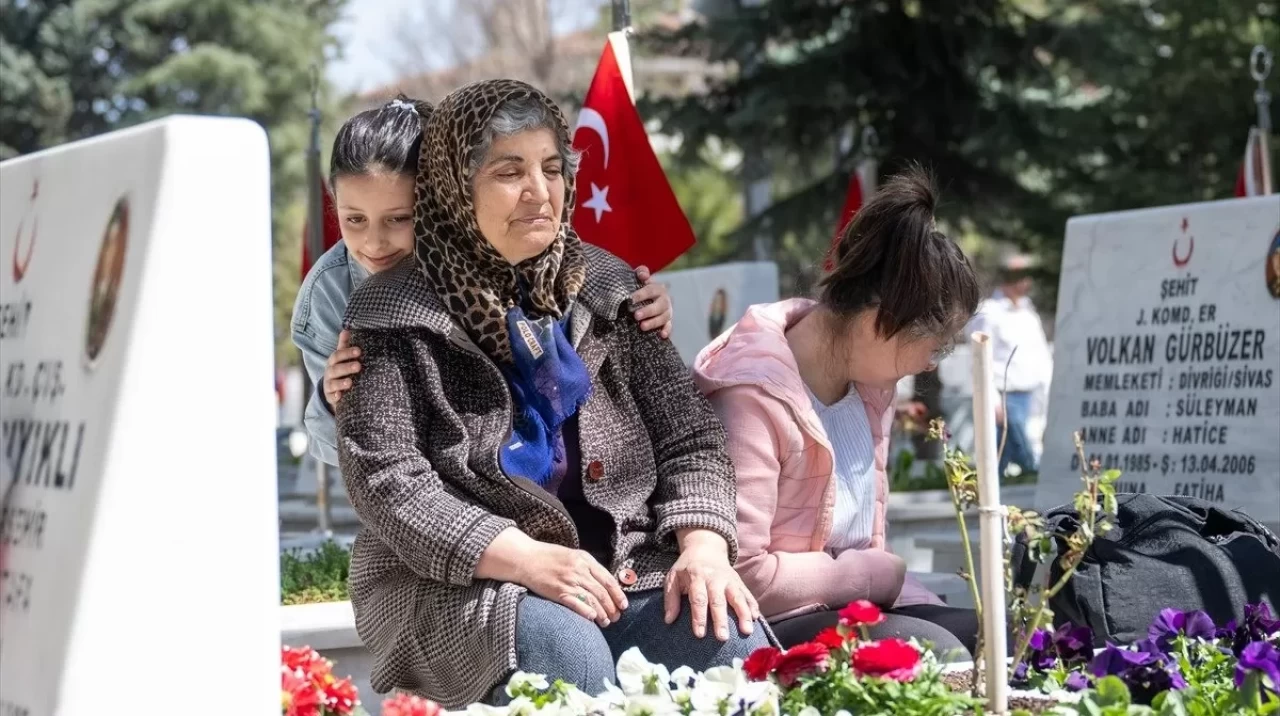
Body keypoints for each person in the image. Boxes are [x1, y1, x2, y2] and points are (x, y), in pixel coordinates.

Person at [336, 80, 770, 709]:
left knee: (727, 638)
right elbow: (389, 482)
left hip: (616, 568)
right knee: (564, 652)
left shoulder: (611, 287)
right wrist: (526, 559)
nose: (539, 191)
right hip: (454, 581)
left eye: (551, 168)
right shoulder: (390, 310)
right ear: (455, 188)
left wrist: (702, 544)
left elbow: (691, 435)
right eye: (509, 172)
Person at [693, 168, 983, 659]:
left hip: (848, 608)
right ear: (879, 323)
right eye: (936, 345)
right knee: (941, 653)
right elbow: (741, 573)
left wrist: (912, 594)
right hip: (764, 626)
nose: (933, 362)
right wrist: (873, 575)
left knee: (1005, 639)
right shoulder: (751, 394)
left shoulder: (870, 390)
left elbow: (873, 563)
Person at [290, 95, 674, 466]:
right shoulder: (330, 291)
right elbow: (345, 453)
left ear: (445, 197)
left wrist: (633, 303)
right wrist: (331, 399)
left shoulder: (498, 247)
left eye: (399, 218)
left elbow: (574, 310)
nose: (374, 243)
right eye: (354, 220)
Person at [966, 253, 1052, 476]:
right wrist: (992, 399)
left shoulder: (1027, 312)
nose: (1025, 281)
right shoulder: (989, 312)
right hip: (1005, 396)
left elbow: (1040, 354)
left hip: (1031, 394)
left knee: (1003, 461)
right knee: (1018, 457)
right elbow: (979, 358)